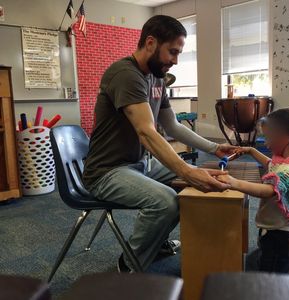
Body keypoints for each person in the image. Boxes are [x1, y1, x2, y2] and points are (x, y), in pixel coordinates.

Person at [82, 15, 237, 272]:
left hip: (138, 163)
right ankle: (129, 263)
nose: (175, 61)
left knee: (195, 180)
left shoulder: (156, 78)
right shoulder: (125, 74)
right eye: (173, 52)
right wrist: (187, 171)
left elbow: (172, 126)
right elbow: (147, 132)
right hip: (106, 172)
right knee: (166, 200)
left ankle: (156, 243)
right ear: (151, 43)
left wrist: (213, 148)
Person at [217, 108, 289, 274]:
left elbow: (268, 190)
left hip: (280, 235)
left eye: (269, 138)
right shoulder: (286, 161)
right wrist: (252, 151)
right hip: (276, 231)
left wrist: (234, 182)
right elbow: (271, 164)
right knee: (277, 269)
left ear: (284, 137)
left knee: (272, 277)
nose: (266, 143)